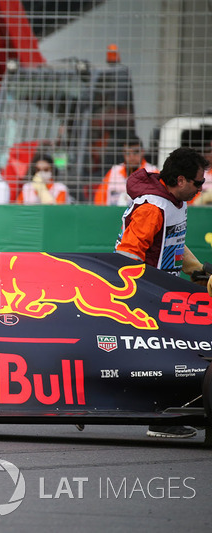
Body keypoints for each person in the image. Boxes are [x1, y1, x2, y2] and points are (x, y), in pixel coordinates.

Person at [115, 146, 211, 439]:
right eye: (198, 183)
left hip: (160, 294)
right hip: (143, 297)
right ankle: (159, 419)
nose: (202, 188)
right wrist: (144, 299)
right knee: (163, 357)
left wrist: (198, 272)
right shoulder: (152, 209)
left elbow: (172, 242)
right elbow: (127, 258)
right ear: (180, 180)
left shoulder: (171, 202)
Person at [94, 137, 158, 206]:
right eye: (128, 153)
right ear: (123, 153)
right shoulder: (114, 171)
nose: (131, 157)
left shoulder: (153, 172)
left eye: (135, 152)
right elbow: (99, 198)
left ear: (142, 152)